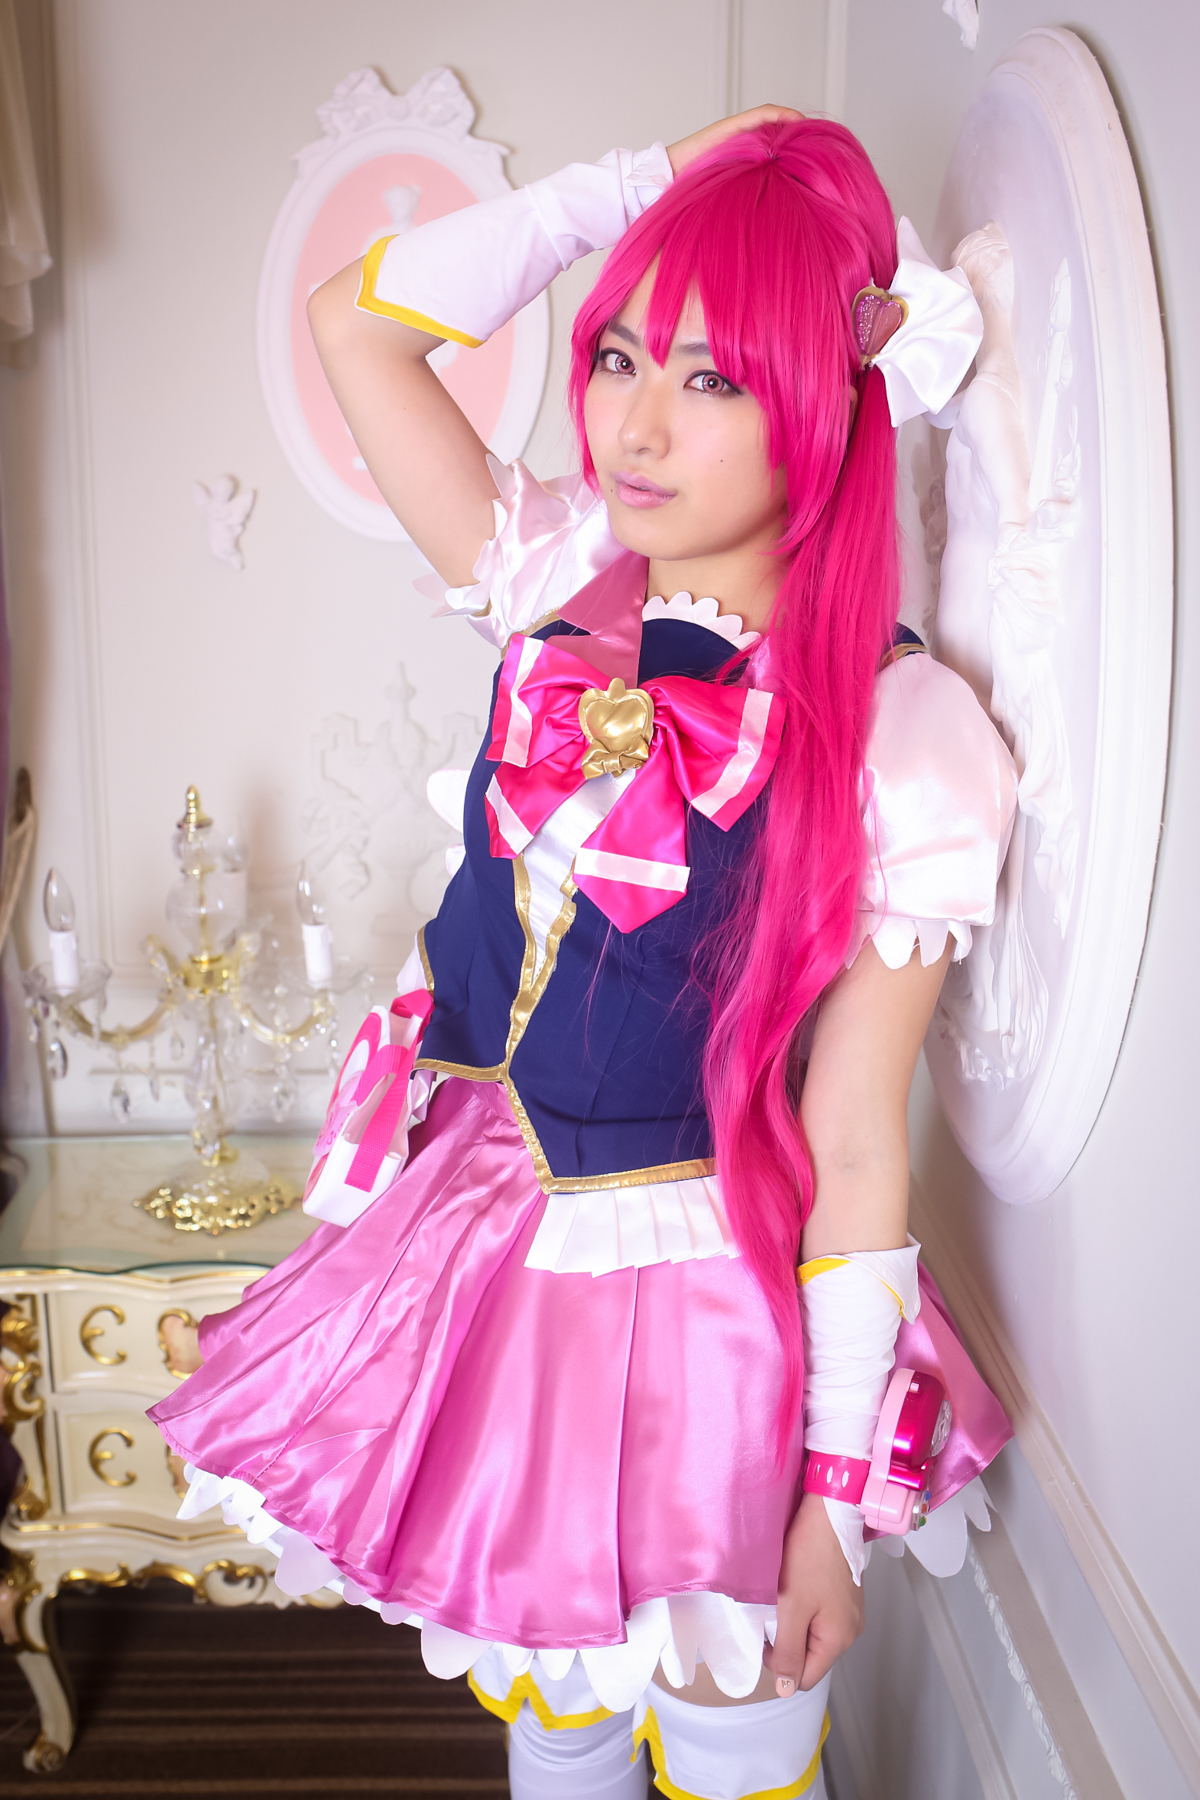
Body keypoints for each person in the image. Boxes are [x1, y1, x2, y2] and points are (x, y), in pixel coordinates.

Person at [151, 109, 1018, 1800]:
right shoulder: (553, 572)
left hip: (714, 1311)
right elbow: (354, 329)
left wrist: (831, 1508)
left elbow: (855, 1145)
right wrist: (634, 187)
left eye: (710, 376)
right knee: (558, 1736)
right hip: (487, 1268)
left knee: (733, 1742)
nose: (634, 421)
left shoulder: (903, 732)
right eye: (619, 355)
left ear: (825, 397)